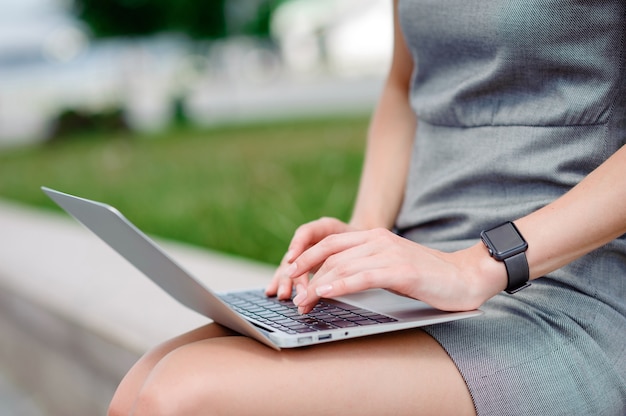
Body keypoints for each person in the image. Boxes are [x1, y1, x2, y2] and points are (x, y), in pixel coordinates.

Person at [108, 1, 626, 414]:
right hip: (413, 278)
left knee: (178, 396)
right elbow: (404, 84)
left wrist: (477, 266)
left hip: (560, 283)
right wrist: (362, 237)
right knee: (139, 385)